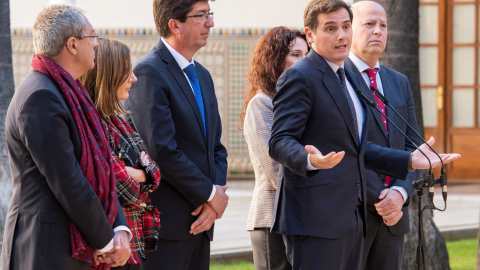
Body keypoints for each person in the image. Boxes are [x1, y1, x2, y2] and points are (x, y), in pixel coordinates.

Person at [268, 0, 461, 269]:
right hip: (317, 221)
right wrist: (310, 159)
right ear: (310, 35)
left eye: (346, 26)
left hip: (350, 221)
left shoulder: (345, 78)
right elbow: (279, 141)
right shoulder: (300, 75)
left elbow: (358, 149)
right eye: (331, 28)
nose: (342, 35)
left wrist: (408, 161)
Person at [1, 4, 132, 270]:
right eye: (92, 37)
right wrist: (108, 242)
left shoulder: (70, 93)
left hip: (68, 246)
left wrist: (119, 228)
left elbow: (103, 168)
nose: (96, 44)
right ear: (73, 44)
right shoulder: (40, 96)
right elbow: (69, 180)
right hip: (45, 249)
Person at [124, 0, 229, 269]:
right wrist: (209, 194)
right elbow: (161, 151)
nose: (211, 22)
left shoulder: (202, 75)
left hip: (202, 222)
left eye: (210, 14)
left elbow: (215, 148)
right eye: (201, 15)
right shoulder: (148, 72)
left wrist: (213, 201)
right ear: (175, 25)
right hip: (166, 227)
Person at [344, 2, 419, 269]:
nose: (378, 31)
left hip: (394, 218)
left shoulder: (399, 81)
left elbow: (413, 149)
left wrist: (399, 193)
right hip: (352, 214)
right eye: (369, 24)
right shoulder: (337, 77)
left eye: (383, 26)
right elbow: (346, 149)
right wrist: (381, 197)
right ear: (349, 29)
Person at [80, 38, 162, 270]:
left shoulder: (118, 121)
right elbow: (121, 185)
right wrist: (143, 173)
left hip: (132, 245)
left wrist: (141, 173)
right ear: (108, 75)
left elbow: (154, 172)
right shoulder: (91, 124)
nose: (133, 78)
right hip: (110, 247)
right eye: (126, 72)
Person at [239, 26, 308, 270]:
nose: (303, 61)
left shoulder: (297, 102)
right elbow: (273, 169)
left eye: (306, 55)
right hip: (271, 218)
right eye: (295, 54)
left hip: (299, 216)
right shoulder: (262, 104)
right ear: (276, 59)